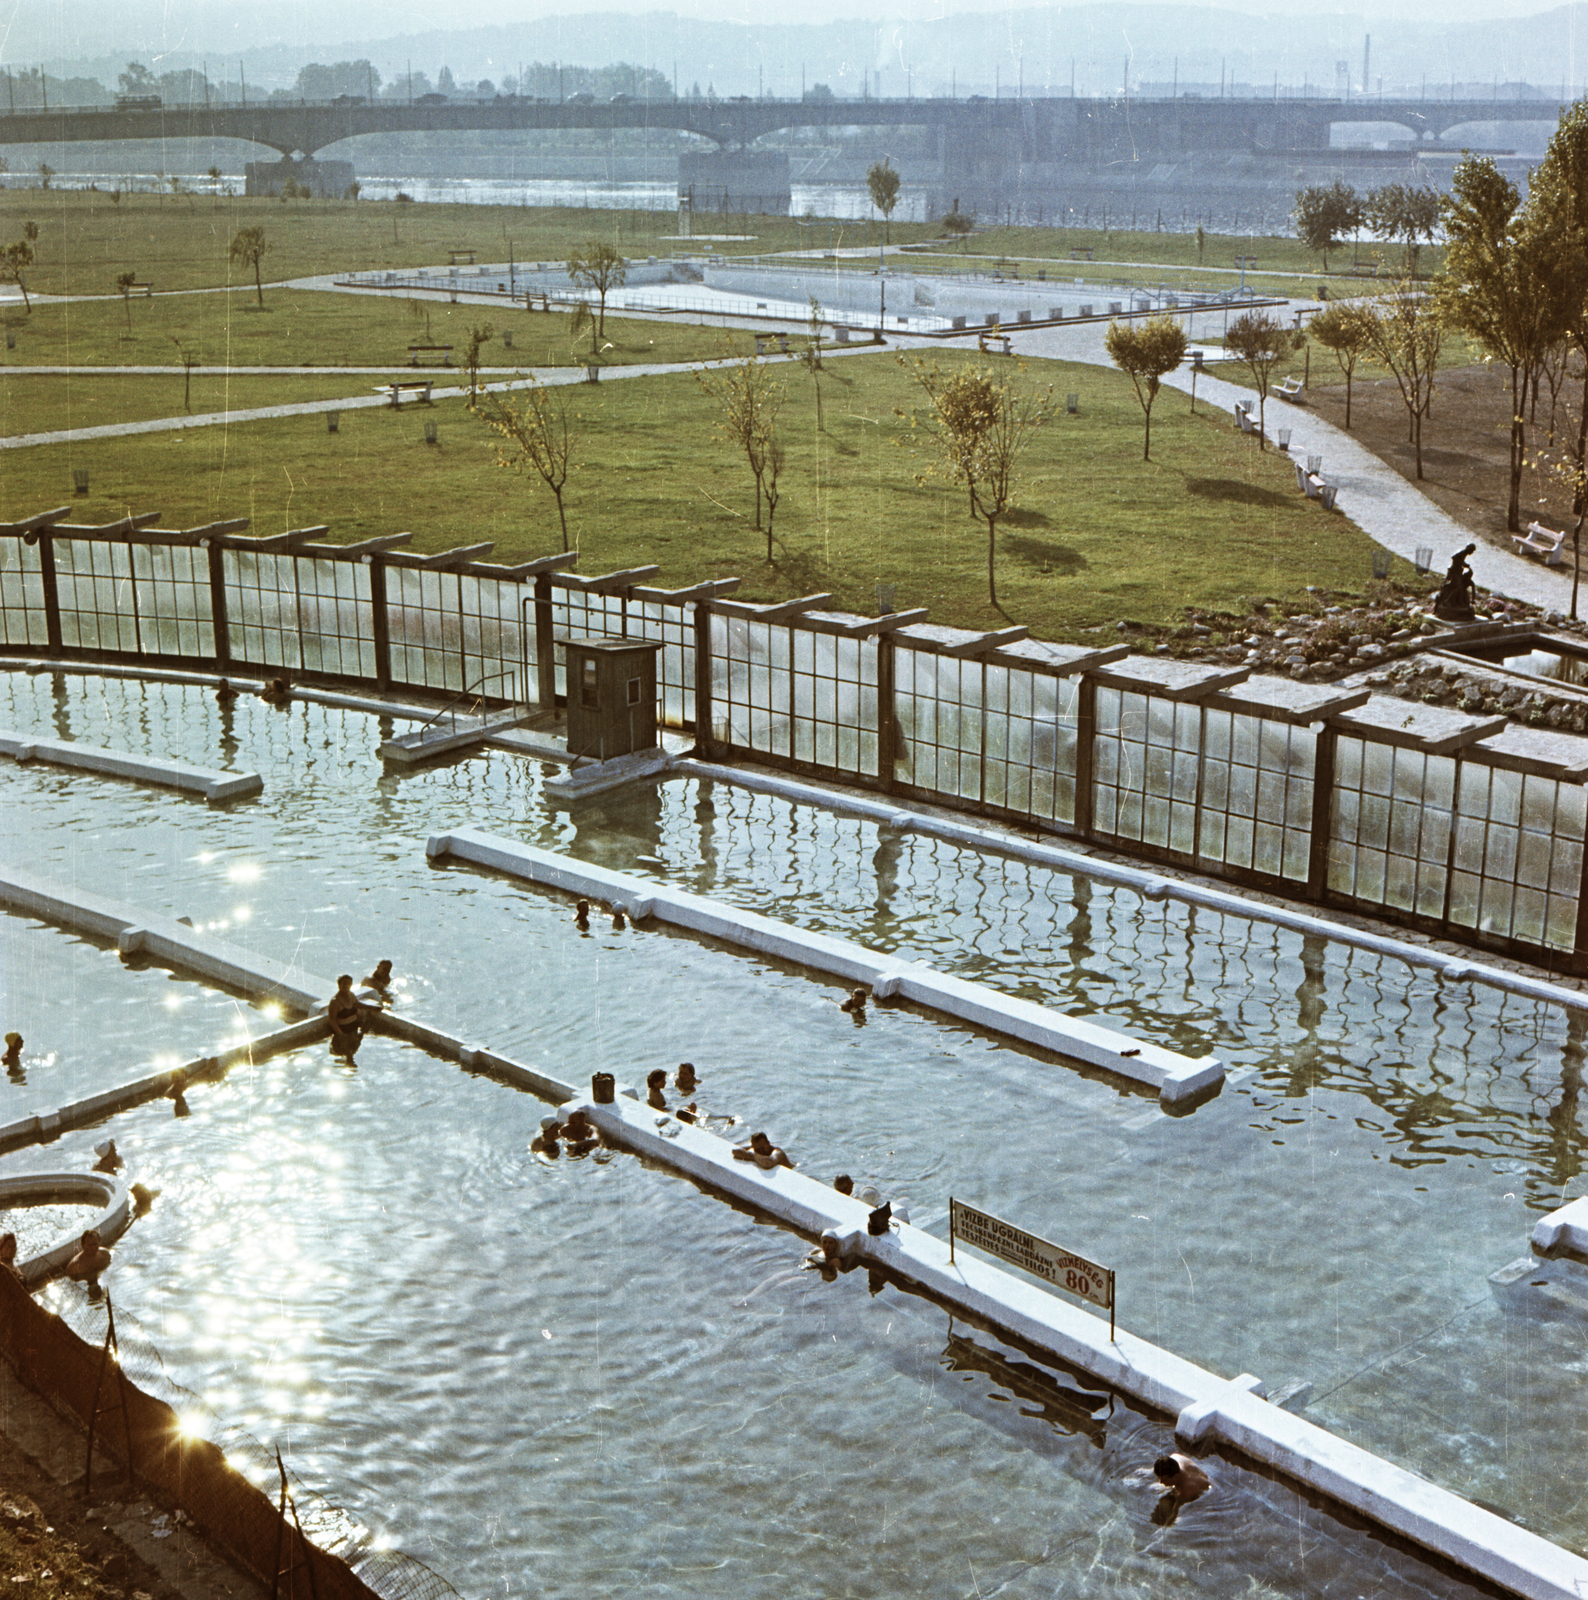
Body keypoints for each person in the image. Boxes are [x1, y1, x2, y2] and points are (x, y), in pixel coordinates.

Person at [328, 975, 371, 1059]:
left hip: (354, 1029)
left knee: (354, 1049)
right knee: (346, 1051)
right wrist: (340, 1034)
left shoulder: (351, 995)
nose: (346, 986)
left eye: (349, 984)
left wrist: (371, 1007)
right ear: (339, 985)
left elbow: (358, 1005)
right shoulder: (335, 1001)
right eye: (344, 983)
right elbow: (332, 1020)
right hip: (344, 1031)